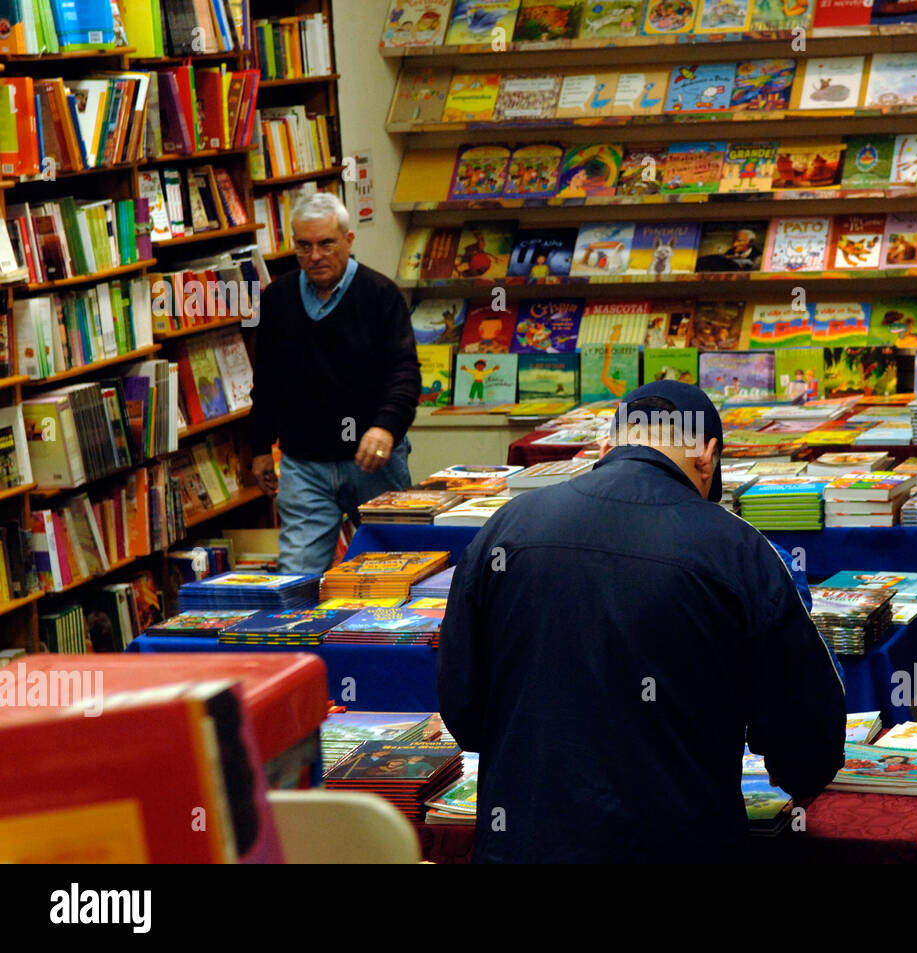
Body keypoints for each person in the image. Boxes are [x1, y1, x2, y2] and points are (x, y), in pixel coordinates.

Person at [439, 380, 846, 863]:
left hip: (523, 843)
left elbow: (463, 707)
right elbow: (807, 738)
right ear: (707, 457)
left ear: (607, 445)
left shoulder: (506, 527)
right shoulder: (741, 549)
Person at [248, 193, 419, 575]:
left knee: (391, 570)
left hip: (374, 460)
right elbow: (267, 378)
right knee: (297, 575)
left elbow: (404, 372)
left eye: (326, 243)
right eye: (303, 246)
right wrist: (260, 446)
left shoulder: (380, 295)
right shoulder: (277, 299)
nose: (315, 256)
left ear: (348, 240)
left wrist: (385, 427)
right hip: (304, 462)